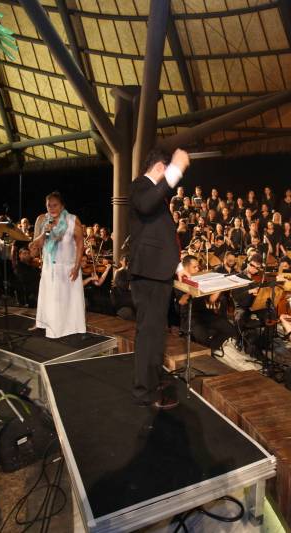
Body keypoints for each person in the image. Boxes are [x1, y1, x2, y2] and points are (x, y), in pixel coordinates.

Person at [129, 147, 190, 409]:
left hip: (159, 273)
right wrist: (176, 169)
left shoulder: (155, 197)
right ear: (160, 168)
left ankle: (152, 380)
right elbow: (146, 203)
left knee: (156, 335)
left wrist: (178, 267)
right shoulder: (140, 186)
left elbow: (162, 238)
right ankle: (146, 392)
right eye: (169, 170)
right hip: (149, 274)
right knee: (149, 335)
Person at [31, 191, 85, 338]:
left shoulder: (72, 220)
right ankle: (49, 326)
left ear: (62, 206)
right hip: (50, 267)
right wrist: (45, 232)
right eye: (49, 206)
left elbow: (80, 244)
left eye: (55, 205)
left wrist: (77, 266)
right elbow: (38, 245)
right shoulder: (43, 220)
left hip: (67, 267)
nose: (52, 208)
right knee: (51, 299)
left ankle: (69, 329)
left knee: (68, 300)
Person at [175, 255, 235, 357]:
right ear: (186, 268)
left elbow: (211, 300)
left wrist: (220, 288)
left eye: (198, 266)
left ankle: (210, 349)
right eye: (195, 267)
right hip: (190, 316)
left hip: (205, 313)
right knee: (203, 337)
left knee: (230, 329)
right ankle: (207, 353)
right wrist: (191, 290)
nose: (198, 269)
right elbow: (181, 302)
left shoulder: (200, 279)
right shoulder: (179, 281)